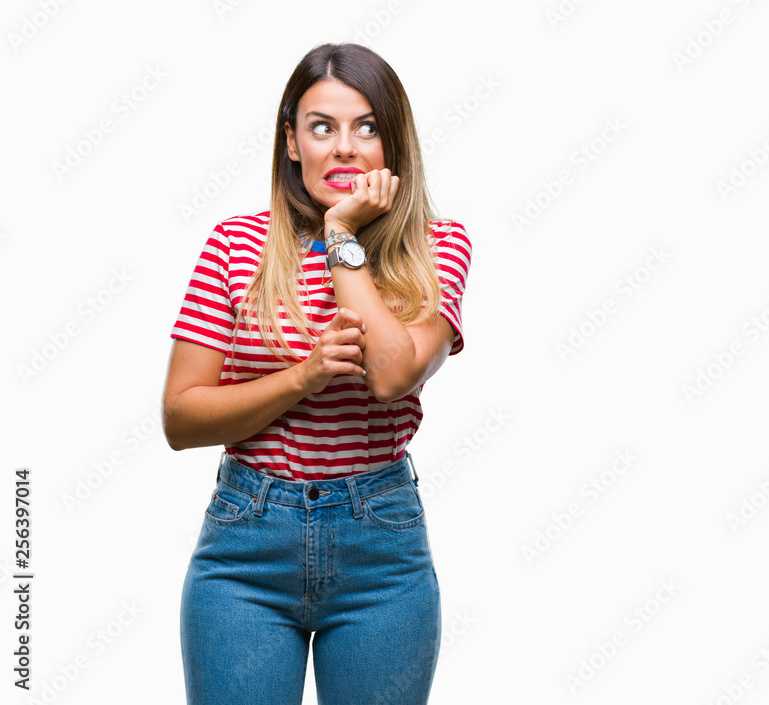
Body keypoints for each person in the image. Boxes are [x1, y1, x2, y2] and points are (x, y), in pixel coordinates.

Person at [161, 42, 472, 705]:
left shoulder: (439, 247)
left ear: (393, 142)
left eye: (366, 126)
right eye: (321, 126)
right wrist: (302, 375)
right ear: (292, 142)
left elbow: (393, 376)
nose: (345, 148)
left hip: (380, 553)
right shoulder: (233, 245)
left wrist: (341, 234)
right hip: (244, 546)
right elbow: (181, 417)